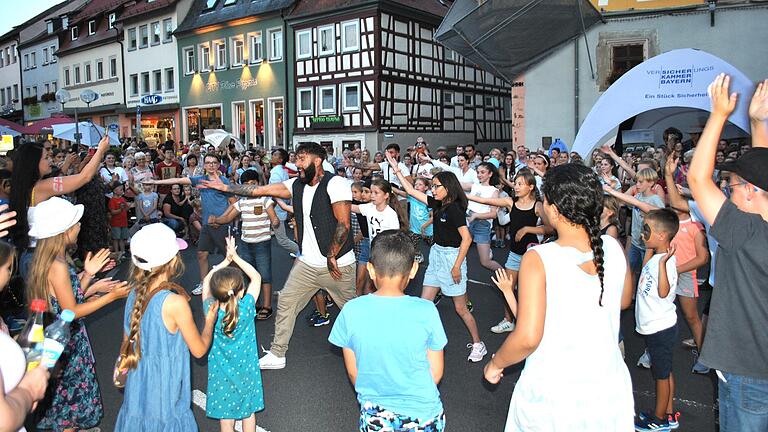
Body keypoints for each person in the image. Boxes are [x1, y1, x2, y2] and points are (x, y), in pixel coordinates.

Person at [483, 164, 634, 431]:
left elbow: (528, 336)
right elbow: (623, 301)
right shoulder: (612, 245)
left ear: (552, 210)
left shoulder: (539, 257)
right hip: (608, 386)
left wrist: (495, 364)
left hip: (554, 392)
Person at [199, 142, 357, 370]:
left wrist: (332, 254)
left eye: (302, 159)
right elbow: (258, 190)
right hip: (307, 264)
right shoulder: (295, 185)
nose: (297, 164)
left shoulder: (337, 184)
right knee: (286, 301)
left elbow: (343, 224)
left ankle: (369, 349)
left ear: (317, 161)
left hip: (339, 265)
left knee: (351, 311)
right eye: (296, 159)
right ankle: (277, 353)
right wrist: (226, 188)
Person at [687, 75, 768, 430]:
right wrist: (757, 124)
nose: (727, 192)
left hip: (748, 372)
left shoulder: (745, 232)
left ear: (749, 192)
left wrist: (718, 114)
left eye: (731, 187)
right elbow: (760, 175)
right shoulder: (755, 225)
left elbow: (697, 180)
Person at [27, 197, 130, 432]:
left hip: (58, 336)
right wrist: (109, 298)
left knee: (63, 402)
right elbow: (70, 311)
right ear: (64, 231)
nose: (79, 227)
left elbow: (64, 298)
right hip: (67, 343)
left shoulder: (51, 259)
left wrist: (89, 278)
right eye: (75, 223)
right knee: (70, 404)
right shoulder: (58, 264)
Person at [329, 230, 447, 432]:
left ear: (371, 270)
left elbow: (353, 371)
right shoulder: (427, 311)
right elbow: (436, 372)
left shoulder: (351, 311)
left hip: (376, 412)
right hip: (424, 413)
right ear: (413, 269)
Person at [114, 223, 217, 432]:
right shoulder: (175, 303)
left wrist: (120, 374)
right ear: (172, 261)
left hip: (137, 387)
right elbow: (198, 349)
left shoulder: (133, 294)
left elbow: (127, 344)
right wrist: (209, 322)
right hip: (165, 393)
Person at [385, 153, 486, 362]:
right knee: (425, 303)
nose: (433, 189)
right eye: (432, 186)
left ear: (448, 188)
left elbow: (466, 239)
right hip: (438, 254)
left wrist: (457, 266)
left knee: (460, 308)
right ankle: (418, 343)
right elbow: (412, 190)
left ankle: (478, 344)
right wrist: (396, 169)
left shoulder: (456, 209)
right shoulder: (439, 204)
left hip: (452, 258)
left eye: (436, 186)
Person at [9, 136, 110, 277]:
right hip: (42, 255)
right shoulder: (42, 187)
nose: (50, 160)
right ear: (33, 163)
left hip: (31, 253)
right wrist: (100, 150)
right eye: (46, 157)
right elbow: (84, 177)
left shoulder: (24, 188)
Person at [466, 169, 548, 334]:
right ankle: (508, 320)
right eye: (515, 183)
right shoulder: (510, 202)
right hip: (514, 254)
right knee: (508, 287)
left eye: (520, 184)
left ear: (531, 187)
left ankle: (531, 322)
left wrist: (527, 229)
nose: (516, 187)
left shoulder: (538, 206)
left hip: (532, 256)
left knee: (529, 290)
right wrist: (463, 195)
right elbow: (483, 199)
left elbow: (550, 228)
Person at [144, 153, 235, 295]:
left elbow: (234, 203)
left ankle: (234, 283)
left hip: (222, 225)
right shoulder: (200, 180)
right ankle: (205, 283)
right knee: (201, 254)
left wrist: (221, 219)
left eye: (214, 163)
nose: (211, 165)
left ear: (218, 165)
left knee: (230, 257)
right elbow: (179, 179)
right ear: (204, 165)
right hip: (206, 225)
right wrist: (155, 183)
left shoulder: (224, 182)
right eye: (208, 162)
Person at [202, 236, 266, 432]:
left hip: (221, 375)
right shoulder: (246, 308)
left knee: (226, 418)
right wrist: (235, 257)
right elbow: (256, 277)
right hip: (247, 372)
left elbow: (206, 281)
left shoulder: (210, 311)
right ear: (240, 291)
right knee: (248, 413)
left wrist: (222, 263)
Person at [633, 208, 680, 431]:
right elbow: (644, 272)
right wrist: (650, 254)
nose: (643, 234)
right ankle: (668, 413)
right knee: (665, 370)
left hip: (660, 328)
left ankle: (659, 419)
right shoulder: (657, 256)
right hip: (654, 327)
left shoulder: (667, 262)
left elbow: (663, 292)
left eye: (647, 230)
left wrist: (661, 265)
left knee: (661, 375)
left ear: (662, 235)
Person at [209, 169, 277, 320]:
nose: (250, 187)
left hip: (262, 242)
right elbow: (227, 218)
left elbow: (273, 217)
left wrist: (275, 222)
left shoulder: (265, 200)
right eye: (246, 185)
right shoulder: (242, 202)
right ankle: (254, 304)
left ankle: (267, 306)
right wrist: (216, 220)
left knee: (264, 275)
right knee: (248, 274)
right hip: (246, 243)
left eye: (253, 184)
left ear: (259, 184)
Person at [268, 148, 299, 255]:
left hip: (276, 209)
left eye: (275, 155)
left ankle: (302, 253)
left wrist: (271, 206)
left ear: (280, 159)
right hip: (279, 208)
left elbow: (275, 192)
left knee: (282, 240)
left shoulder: (277, 173)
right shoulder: (282, 171)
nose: (272, 156)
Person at [109, 182, 130, 257]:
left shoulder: (122, 199)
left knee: (122, 238)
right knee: (116, 238)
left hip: (123, 222)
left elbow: (127, 208)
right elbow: (112, 212)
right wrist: (120, 209)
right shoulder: (112, 200)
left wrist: (126, 206)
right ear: (115, 191)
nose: (122, 191)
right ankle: (116, 252)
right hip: (115, 223)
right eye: (120, 189)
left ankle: (123, 251)